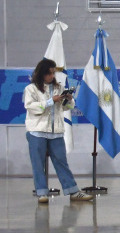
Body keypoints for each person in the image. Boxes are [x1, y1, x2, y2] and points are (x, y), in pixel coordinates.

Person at [23, 58, 94, 204]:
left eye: (53, 73)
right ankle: (42, 193)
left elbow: (67, 107)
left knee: (61, 161)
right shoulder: (31, 89)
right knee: (38, 163)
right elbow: (31, 107)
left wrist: (68, 99)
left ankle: (73, 191)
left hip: (56, 131)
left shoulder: (59, 88)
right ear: (41, 73)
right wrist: (51, 101)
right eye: (48, 73)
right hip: (37, 131)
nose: (51, 76)